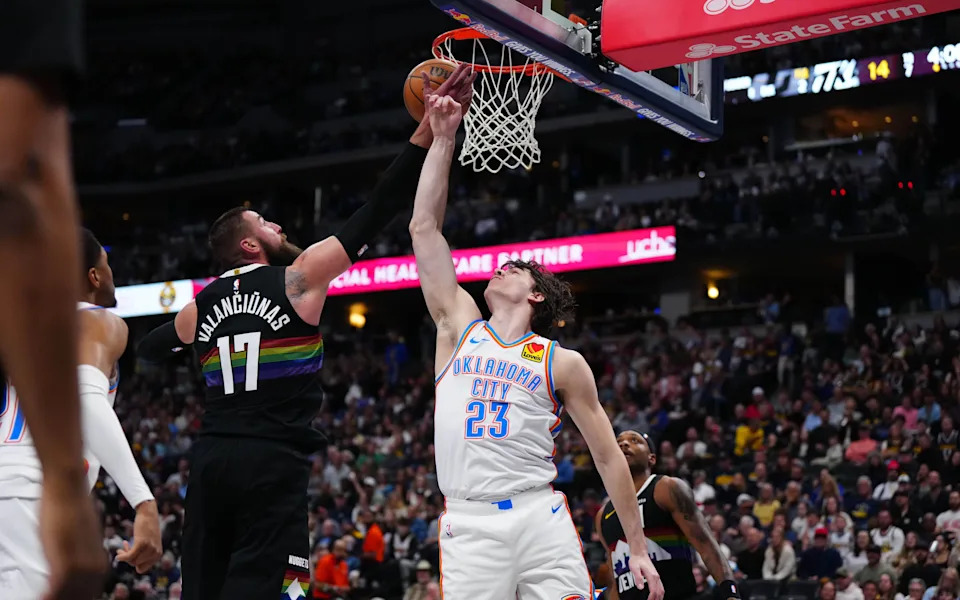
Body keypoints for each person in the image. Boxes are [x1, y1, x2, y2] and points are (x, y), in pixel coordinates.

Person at [138, 67, 477, 600]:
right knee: (281, 590)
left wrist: (185, 339)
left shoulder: (196, 308)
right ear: (250, 247)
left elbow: (150, 350)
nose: (280, 228)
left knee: (203, 588)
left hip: (209, 463)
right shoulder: (297, 280)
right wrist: (427, 134)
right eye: (267, 225)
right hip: (271, 464)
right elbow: (377, 209)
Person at [408, 94, 664, 600]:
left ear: (535, 293)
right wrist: (442, 139)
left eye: (515, 268)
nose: (500, 266)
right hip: (469, 519)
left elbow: (610, 458)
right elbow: (424, 228)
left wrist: (636, 547)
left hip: (537, 513)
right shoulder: (460, 327)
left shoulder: (562, 362)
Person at [0, 0, 107, 598]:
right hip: (24, 479)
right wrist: (68, 485)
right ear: (93, 276)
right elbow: (22, 186)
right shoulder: (103, 324)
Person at [0, 229, 163, 598]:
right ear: (94, 276)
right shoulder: (96, 320)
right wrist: (144, 502)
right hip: (33, 493)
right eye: (108, 265)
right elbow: (85, 398)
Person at [595, 431, 738, 600]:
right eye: (619, 442)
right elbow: (615, 578)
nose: (624, 444)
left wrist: (730, 593)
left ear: (652, 458)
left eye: (634, 441)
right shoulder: (603, 515)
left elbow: (706, 545)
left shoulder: (666, 488)